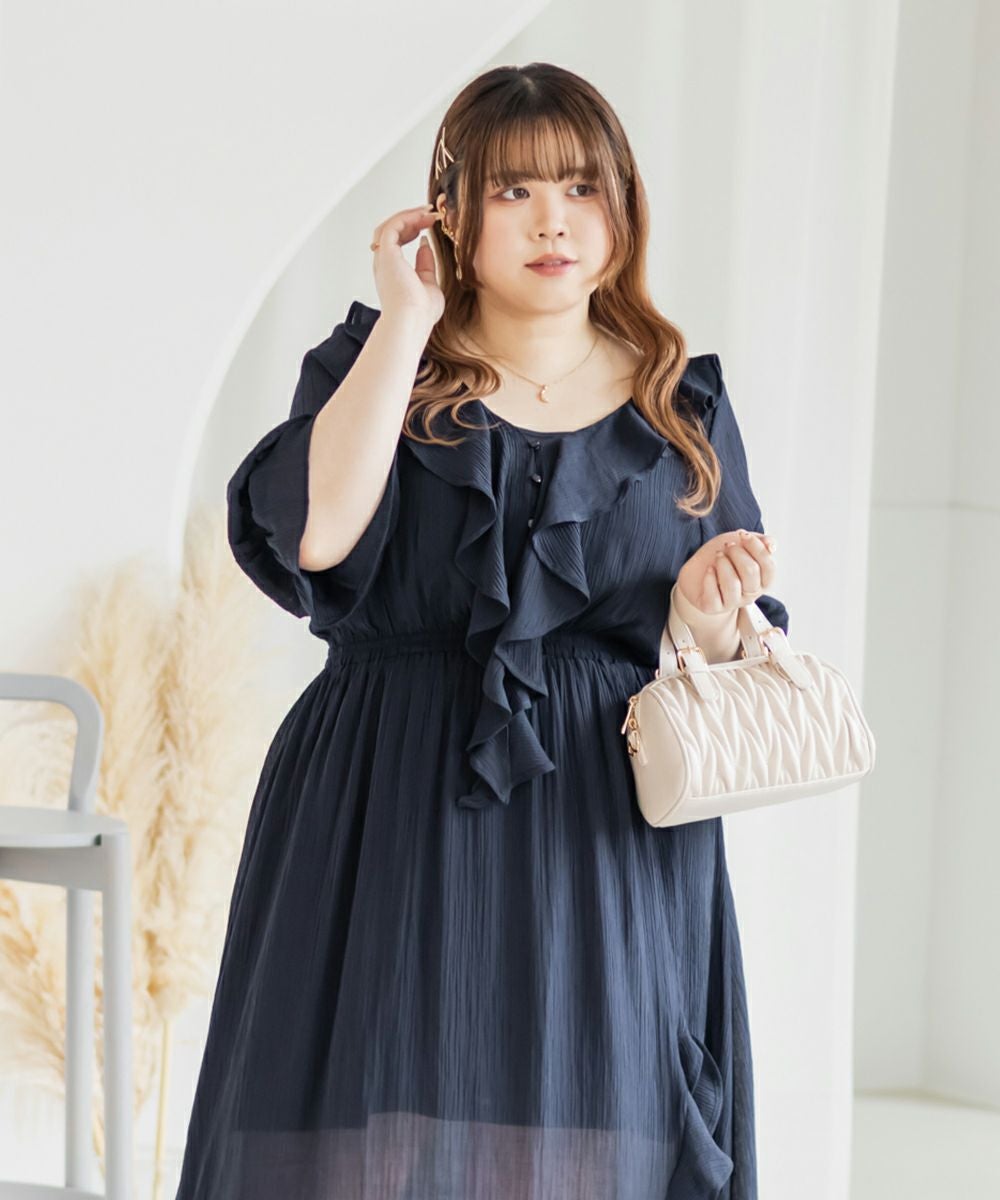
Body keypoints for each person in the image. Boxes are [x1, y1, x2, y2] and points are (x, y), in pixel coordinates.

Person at [175, 61, 787, 1200]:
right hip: (385, 804)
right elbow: (315, 536)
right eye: (514, 191)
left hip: (605, 839)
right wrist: (407, 321)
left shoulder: (680, 406)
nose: (554, 220)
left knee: (596, 1122)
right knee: (365, 1129)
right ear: (452, 213)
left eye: (581, 186)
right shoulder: (375, 365)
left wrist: (703, 617)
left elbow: (717, 651)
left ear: (622, 206)